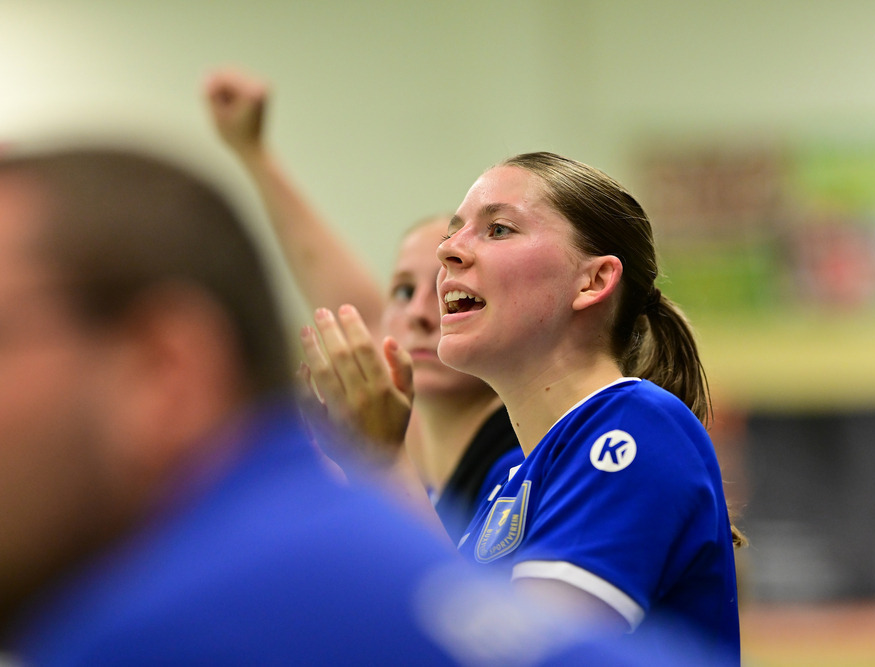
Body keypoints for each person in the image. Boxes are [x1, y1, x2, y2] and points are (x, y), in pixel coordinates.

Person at [0, 144, 514, 665]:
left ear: (162, 371)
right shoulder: (309, 533)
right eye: (403, 292)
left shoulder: (167, 636)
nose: (423, 314)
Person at [302, 151, 742, 663]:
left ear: (593, 281)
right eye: (454, 232)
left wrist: (382, 461)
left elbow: (526, 656)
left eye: (498, 229)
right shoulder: (508, 487)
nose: (448, 251)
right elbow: (446, 637)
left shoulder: (637, 423)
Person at [204, 70, 522, 541]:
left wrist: (379, 458)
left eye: (452, 295)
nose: (420, 314)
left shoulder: (521, 461)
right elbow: (348, 302)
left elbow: (447, 586)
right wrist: (253, 151)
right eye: (402, 291)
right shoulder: (410, 450)